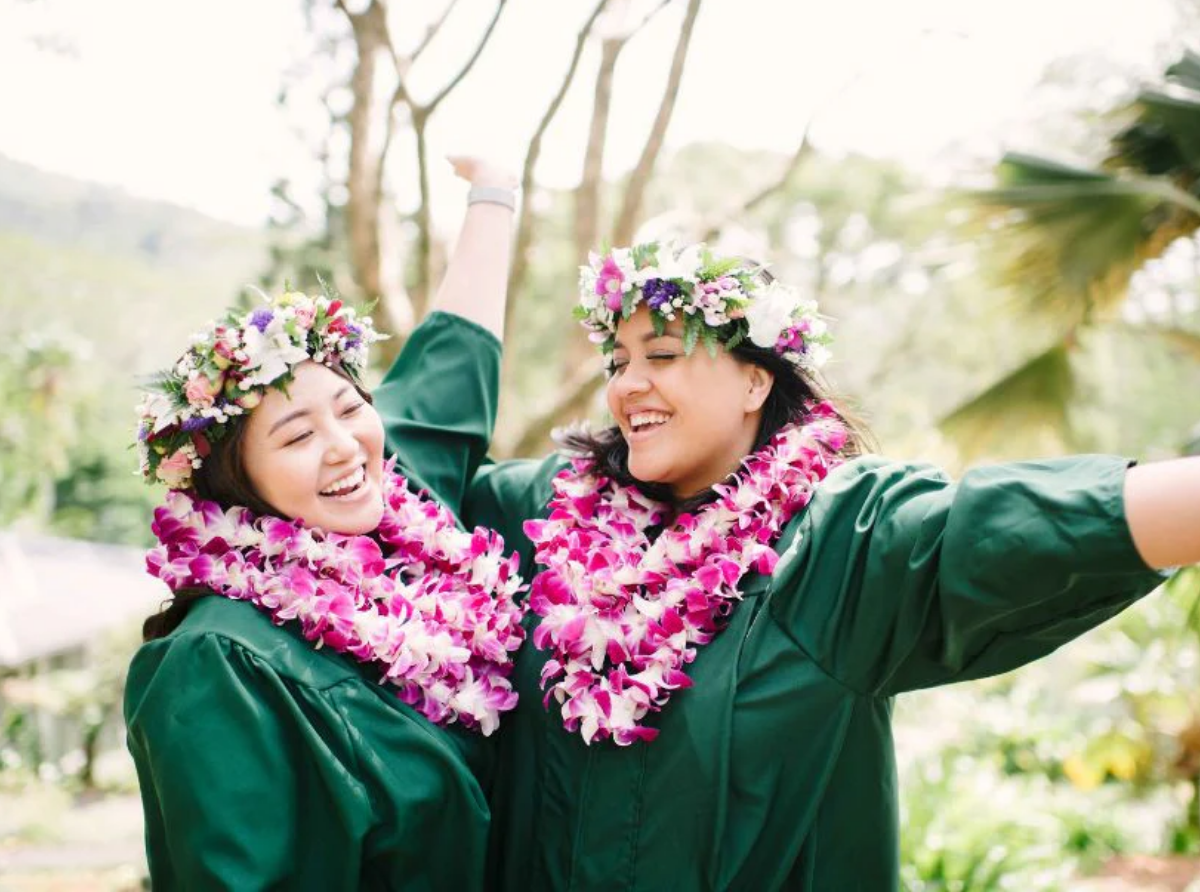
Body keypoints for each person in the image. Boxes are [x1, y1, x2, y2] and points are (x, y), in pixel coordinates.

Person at [458, 240, 1200, 891]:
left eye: (662, 353)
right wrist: (491, 206)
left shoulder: (838, 542)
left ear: (758, 380)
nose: (625, 385)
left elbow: (1008, 527)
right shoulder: (548, 516)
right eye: (617, 362)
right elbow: (405, 476)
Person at [124, 158, 523, 890]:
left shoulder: (398, 522)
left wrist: (494, 195)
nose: (343, 445)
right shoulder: (216, 663)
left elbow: (450, 370)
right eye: (297, 437)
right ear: (237, 487)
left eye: (348, 409)